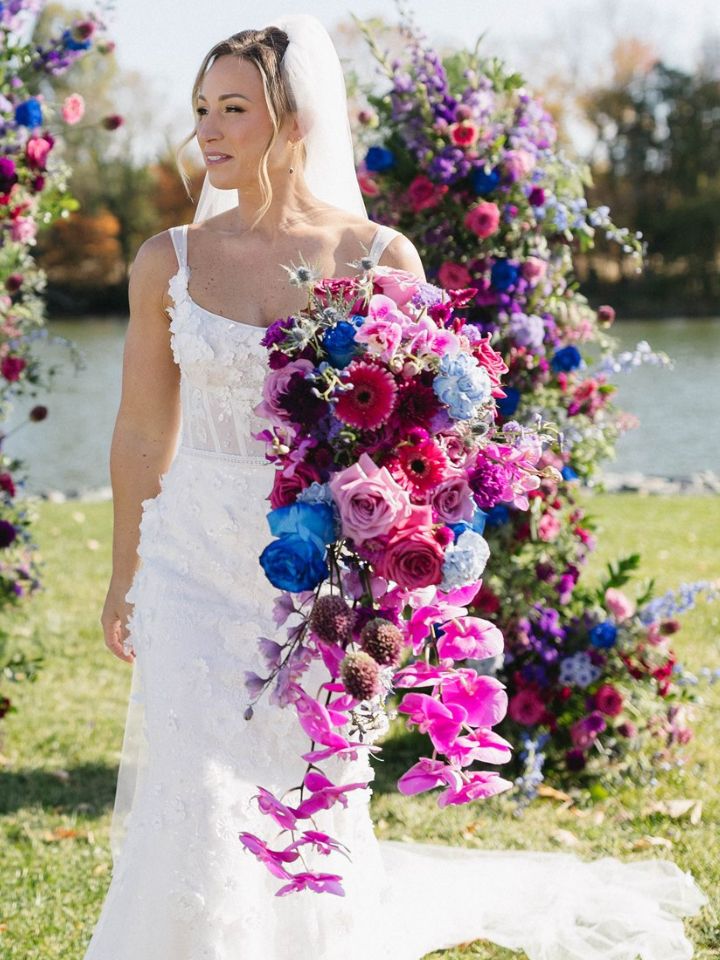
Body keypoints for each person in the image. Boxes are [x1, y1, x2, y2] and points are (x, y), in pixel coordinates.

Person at [86, 14, 707, 960]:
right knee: (194, 779)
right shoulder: (163, 261)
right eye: (202, 108)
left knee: (306, 775)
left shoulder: (380, 260)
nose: (207, 129)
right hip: (189, 559)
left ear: (295, 121)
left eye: (234, 109)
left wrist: (393, 551)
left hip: (318, 569)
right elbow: (141, 429)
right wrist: (125, 570)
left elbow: (424, 436)